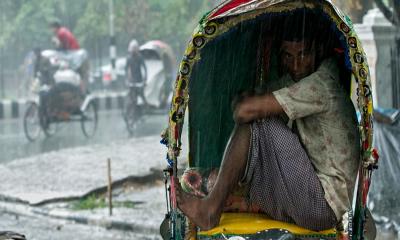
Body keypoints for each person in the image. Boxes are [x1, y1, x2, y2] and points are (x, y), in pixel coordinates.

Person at [175, 13, 361, 232]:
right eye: (288, 56)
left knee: (258, 120)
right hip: (308, 196)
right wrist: (252, 101)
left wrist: (252, 105)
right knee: (195, 176)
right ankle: (226, 200)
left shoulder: (321, 84)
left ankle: (210, 211)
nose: (296, 64)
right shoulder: (296, 81)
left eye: (304, 54)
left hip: (322, 207)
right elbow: (246, 99)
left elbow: (244, 110)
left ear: (318, 51)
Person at [125, 39, 148, 106]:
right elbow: (126, 70)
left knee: (141, 95)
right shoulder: (128, 58)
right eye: (132, 48)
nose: (133, 50)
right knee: (132, 96)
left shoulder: (140, 57)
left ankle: (146, 106)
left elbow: (144, 69)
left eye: (135, 48)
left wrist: (145, 79)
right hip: (132, 81)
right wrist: (126, 79)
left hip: (139, 80)